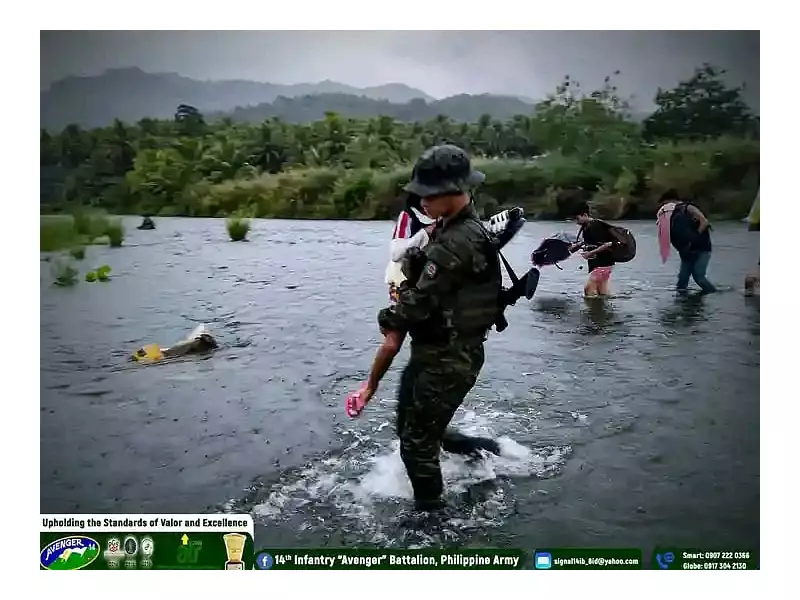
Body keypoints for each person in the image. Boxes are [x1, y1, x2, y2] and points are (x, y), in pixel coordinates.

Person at [376, 144, 507, 511]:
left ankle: (432, 517)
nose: (421, 201)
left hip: (451, 357)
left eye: (428, 194)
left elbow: (417, 305)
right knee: (410, 425)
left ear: (455, 192)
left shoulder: (459, 240)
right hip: (435, 350)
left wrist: (389, 316)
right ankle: (480, 451)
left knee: (416, 444)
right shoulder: (447, 228)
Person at [659, 190, 717, 294]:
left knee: (699, 277)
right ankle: (682, 303)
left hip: (701, 249)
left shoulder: (688, 208)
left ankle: (714, 294)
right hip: (686, 251)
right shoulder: (672, 214)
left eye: (665, 203)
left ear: (671, 201)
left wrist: (694, 238)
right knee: (682, 280)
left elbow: (704, 222)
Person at [570, 203, 616, 297]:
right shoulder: (586, 227)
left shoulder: (595, 226)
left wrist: (590, 253)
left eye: (577, 218)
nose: (576, 222)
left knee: (588, 289)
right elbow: (585, 242)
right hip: (599, 264)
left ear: (585, 215)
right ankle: (604, 310)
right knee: (602, 292)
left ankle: (593, 311)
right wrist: (569, 249)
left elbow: (607, 244)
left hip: (603, 262)